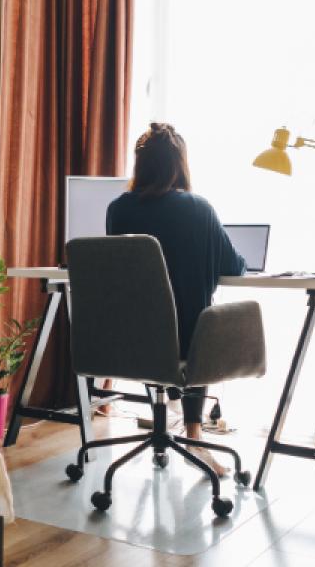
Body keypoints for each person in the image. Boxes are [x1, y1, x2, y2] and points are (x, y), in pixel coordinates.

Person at [105, 121, 246, 476]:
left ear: (140, 165)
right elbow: (235, 266)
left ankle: (175, 426)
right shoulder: (198, 209)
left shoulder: (117, 210)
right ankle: (195, 436)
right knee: (201, 318)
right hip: (185, 344)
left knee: (182, 315)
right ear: (180, 164)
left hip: (127, 342)